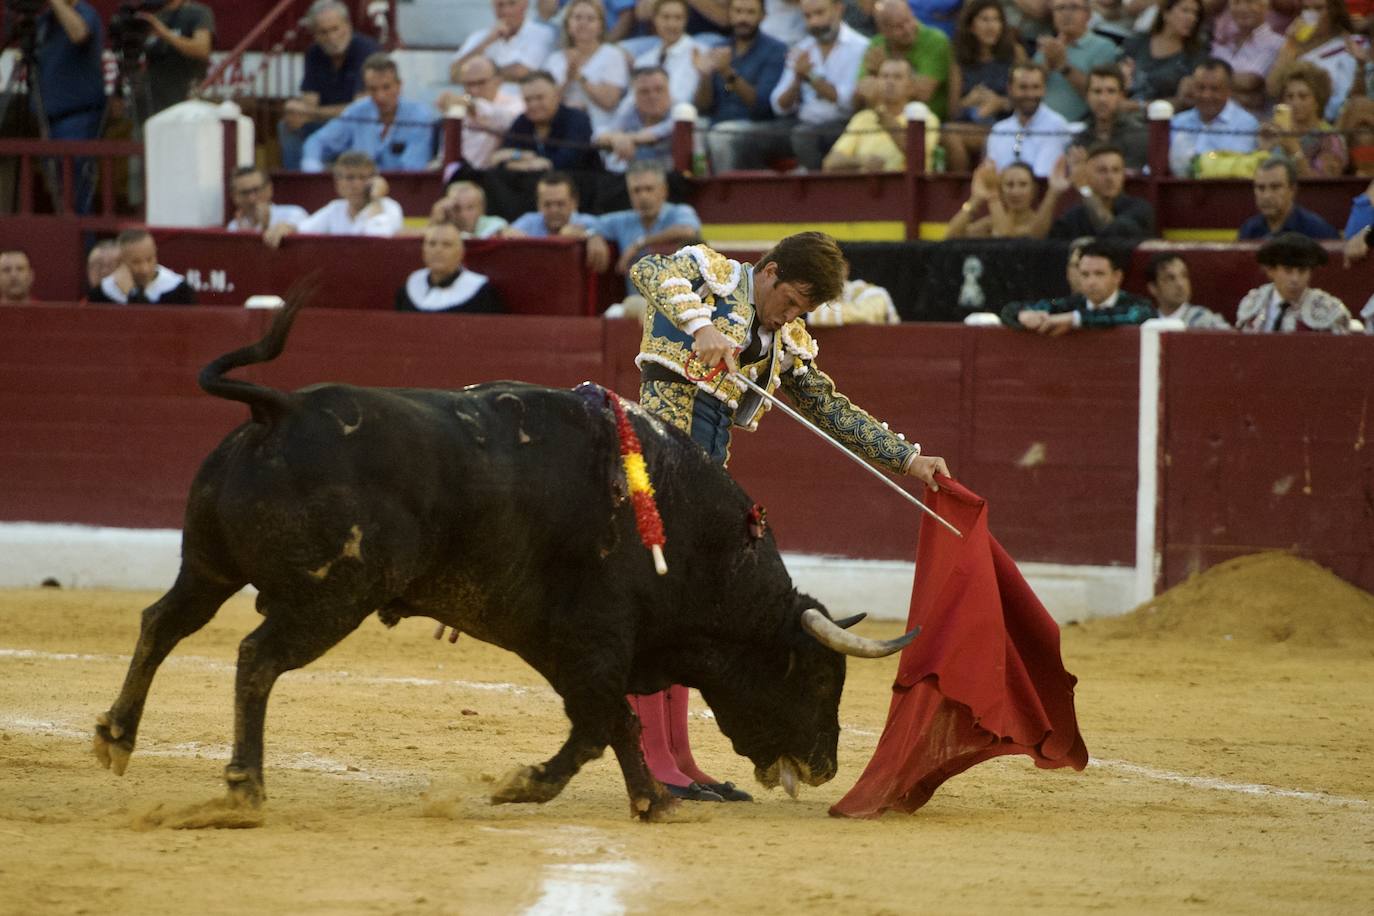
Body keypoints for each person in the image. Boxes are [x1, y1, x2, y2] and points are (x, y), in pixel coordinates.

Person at [629, 230, 949, 800]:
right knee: (659, 607)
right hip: (653, 458)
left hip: (706, 474)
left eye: (806, 309)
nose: (792, 316)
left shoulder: (785, 339)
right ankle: (656, 761)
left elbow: (827, 407)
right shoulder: (710, 275)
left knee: (683, 612)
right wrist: (701, 326)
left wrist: (908, 459)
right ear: (770, 271)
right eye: (793, 300)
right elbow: (649, 270)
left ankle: (678, 759)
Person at [277, 1, 380, 171]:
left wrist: (311, 112)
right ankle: (298, 179)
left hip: (356, 125)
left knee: (362, 125)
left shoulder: (366, 50)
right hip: (326, 123)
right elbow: (310, 102)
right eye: (323, 32)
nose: (331, 37)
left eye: (335, 29)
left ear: (348, 25)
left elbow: (361, 109)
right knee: (287, 124)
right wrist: (300, 111)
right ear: (315, 35)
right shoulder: (314, 53)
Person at [769, 0, 869, 170]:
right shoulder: (802, 49)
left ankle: (815, 191)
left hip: (843, 123)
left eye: (820, 13)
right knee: (750, 137)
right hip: (803, 121)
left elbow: (849, 102)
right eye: (808, 16)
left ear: (838, 9)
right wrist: (797, 80)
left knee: (803, 136)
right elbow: (778, 105)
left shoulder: (861, 47)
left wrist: (811, 77)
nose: (814, 22)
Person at [692, 0, 789, 173]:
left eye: (750, 12)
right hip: (719, 120)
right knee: (689, 128)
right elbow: (704, 106)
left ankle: (725, 191)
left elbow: (762, 107)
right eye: (738, 11)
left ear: (762, 16)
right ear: (730, 13)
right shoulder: (719, 48)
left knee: (721, 135)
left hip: (759, 125)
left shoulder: (776, 50)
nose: (743, 18)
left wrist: (727, 72)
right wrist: (705, 76)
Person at [301, 54, 439, 173]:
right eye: (373, 89)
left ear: (399, 85)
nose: (380, 96)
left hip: (403, 192)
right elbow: (316, 142)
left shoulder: (420, 116)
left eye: (386, 87)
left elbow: (413, 169)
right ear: (366, 89)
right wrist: (313, 167)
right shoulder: (357, 112)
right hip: (356, 190)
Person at [33, 0, 105, 212]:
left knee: (77, 193)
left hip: (77, 117)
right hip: (48, 119)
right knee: (60, 195)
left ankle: (83, 245)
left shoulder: (84, 12)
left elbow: (79, 33)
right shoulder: (45, 21)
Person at [999, 240, 1155, 332]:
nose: (1091, 281)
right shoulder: (1069, 304)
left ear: (1117, 276)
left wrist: (1074, 319)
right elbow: (1010, 309)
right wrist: (1022, 315)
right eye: (1085, 274)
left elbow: (1135, 316)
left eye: (1099, 274)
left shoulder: (1137, 305)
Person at [943, 0, 1023, 173]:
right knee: (949, 132)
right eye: (984, 20)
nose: (991, 26)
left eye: (996, 20)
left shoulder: (1015, 53)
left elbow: (1028, 97)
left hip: (1008, 127)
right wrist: (969, 101)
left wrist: (999, 103)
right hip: (972, 126)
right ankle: (962, 190)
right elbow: (952, 111)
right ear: (971, 26)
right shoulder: (959, 58)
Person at [595, 162, 703, 291]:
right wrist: (594, 236)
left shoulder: (679, 212)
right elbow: (589, 224)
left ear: (664, 190)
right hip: (637, 301)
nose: (643, 196)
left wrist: (640, 243)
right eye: (636, 191)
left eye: (649, 189)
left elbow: (688, 231)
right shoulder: (623, 220)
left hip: (680, 300)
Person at [265, 151, 404, 247]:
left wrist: (376, 200)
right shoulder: (335, 209)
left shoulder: (390, 207)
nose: (357, 184)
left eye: (363, 178)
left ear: (375, 179)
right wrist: (286, 227)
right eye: (350, 178)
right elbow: (303, 230)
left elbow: (377, 242)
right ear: (338, 183)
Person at [823, 58, 939, 172]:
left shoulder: (926, 118)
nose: (889, 82)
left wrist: (879, 109)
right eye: (884, 76)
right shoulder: (863, 117)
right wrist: (861, 161)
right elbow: (830, 163)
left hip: (904, 188)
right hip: (867, 187)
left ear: (911, 87)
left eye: (897, 77)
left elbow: (916, 155)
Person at [1235, 231, 1354, 332]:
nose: (1295, 279)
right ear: (1271, 271)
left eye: (1302, 271)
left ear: (1310, 273)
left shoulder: (1328, 310)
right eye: (1288, 270)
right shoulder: (1253, 303)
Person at [1267, 0, 1364, 122]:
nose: (1311, 14)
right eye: (1306, 9)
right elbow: (1272, 89)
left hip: (1333, 123)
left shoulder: (1353, 45)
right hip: (1292, 121)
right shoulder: (1293, 44)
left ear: (1334, 12)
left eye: (1319, 8)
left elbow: (1349, 100)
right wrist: (1290, 44)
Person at [855, 0, 951, 120]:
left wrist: (881, 70)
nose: (908, 29)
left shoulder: (935, 41)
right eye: (899, 27)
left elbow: (923, 94)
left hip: (923, 120)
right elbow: (860, 94)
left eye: (909, 20)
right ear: (884, 31)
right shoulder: (877, 44)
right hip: (878, 120)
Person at [545, 0, 630, 133]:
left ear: (601, 26)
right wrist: (567, 80)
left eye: (590, 19)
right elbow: (546, 104)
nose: (583, 23)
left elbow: (610, 101)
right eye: (577, 17)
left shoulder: (612, 54)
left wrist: (580, 77)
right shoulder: (555, 59)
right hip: (561, 127)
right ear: (567, 24)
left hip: (600, 127)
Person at [491, 71, 602, 173]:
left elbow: (564, 163)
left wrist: (516, 161)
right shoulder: (523, 120)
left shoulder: (577, 119)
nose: (533, 105)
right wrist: (523, 156)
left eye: (540, 98)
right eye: (528, 99)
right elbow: (499, 159)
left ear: (557, 96)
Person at [1167, 58, 1261, 176]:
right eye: (1201, 88)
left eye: (1214, 89)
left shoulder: (1246, 125)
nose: (1206, 95)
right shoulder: (1177, 122)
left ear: (1229, 90)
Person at [505, 171, 612, 271]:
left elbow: (604, 231)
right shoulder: (529, 221)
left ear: (574, 203)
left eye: (560, 204)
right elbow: (505, 235)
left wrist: (592, 235)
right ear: (538, 205)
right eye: (547, 204)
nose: (554, 210)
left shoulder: (586, 222)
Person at [1032, 0, 1120, 123]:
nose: (1067, 14)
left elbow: (1101, 93)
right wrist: (1047, 64)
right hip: (1043, 127)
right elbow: (1029, 90)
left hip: (1084, 127)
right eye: (1060, 8)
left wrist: (1064, 67)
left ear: (1088, 14)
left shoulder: (1103, 47)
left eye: (1074, 7)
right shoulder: (1046, 48)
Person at [1257, 61, 1349, 178]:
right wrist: (1263, 151)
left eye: (1303, 96)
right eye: (1289, 96)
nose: (1295, 103)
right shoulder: (1275, 133)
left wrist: (1295, 150)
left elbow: (1322, 187)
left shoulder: (1331, 139)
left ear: (1317, 101)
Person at [450, 0, 557, 98]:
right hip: (479, 107)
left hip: (520, 107)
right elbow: (455, 73)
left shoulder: (542, 33)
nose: (506, 11)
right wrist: (488, 41)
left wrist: (475, 74)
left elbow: (522, 71)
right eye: (500, 5)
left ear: (525, 4)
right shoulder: (480, 37)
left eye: (512, 3)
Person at [437, 56, 526, 172]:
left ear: (498, 81)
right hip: (458, 176)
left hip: (492, 177)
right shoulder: (459, 109)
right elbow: (444, 155)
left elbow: (505, 120)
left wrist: (471, 105)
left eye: (481, 83)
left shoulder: (517, 104)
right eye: (468, 84)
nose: (474, 90)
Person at [984, 62, 1073, 177]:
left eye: (1035, 87)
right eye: (1023, 87)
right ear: (1010, 89)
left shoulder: (1058, 126)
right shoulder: (998, 131)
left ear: (1044, 89)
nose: (1030, 94)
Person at [394, 222, 505, 314]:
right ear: (423, 251)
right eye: (432, 244)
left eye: (446, 244)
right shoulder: (411, 286)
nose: (438, 250)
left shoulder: (481, 292)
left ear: (461, 252)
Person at [1050, 143, 1156, 239]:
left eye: (1116, 170)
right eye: (1102, 171)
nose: (1110, 178)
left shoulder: (1140, 208)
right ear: (1086, 175)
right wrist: (1053, 192)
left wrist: (1084, 189)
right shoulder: (1074, 215)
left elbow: (1113, 233)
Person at [946, 157, 1068, 238]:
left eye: (1023, 184)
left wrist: (993, 197)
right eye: (1009, 185)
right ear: (1001, 190)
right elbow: (951, 235)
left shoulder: (1039, 224)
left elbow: (1006, 238)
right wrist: (975, 199)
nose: (1015, 192)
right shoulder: (990, 223)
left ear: (1034, 190)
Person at [1120, 0, 1205, 108]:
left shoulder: (1195, 56)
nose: (1192, 18)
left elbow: (1183, 101)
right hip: (1123, 110)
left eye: (1195, 14)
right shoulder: (1138, 42)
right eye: (1185, 11)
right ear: (1166, 13)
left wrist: (1137, 106)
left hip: (1164, 117)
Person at [140, 0, 214, 117]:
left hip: (185, 94)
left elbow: (202, 49)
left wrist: (163, 32)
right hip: (154, 97)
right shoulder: (154, 14)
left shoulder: (198, 13)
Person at [594, 66, 676, 171]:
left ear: (669, 91)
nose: (652, 96)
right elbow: (600, 135)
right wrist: (616, 138)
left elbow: (662, 131)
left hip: (672, 177)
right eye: (644, 91)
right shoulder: (631, 109)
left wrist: (627, 139)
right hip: (636, 176)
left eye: (659, 90)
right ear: (634, 95)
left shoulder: (681, 110)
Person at [1237, 156, 1340, 239]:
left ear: (1292, 190)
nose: (1266, 195)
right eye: (1260, 188)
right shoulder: (1249, 230)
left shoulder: (1317, 231)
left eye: (1275, 187)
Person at [1069, 64, 1149, 171]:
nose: (1103, 99)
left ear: (1121, 96)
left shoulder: (1139, 136)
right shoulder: (1079, 141)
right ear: (1087, 96)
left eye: (1111, 91)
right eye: (1097, 91)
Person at [1210, 0, 1284, 113]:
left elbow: (1250, 81)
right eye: (1236, 2)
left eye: (1250, 2)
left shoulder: (1276, 44)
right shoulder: (1223, 42)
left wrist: (1215, 85)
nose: (1242, 8)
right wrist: (1238, 95)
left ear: (1266, 7)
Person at [88, 229, 196, 305]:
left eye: (150, 259)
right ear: (121, 262)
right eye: (136, 262)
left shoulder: (180, 291)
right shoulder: (102, 294)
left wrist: (132, 293)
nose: (145, 269)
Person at [631, 0, 704, 107]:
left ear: (686, 20)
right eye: (665, 17)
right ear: (655, 19)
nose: (672, 24)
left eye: (678, 18)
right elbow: (632, 101)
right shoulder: (643, 61)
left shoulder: (700, 53)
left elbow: (685, 99)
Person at [1144, 252, 1232, 328]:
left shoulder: (1205, 320)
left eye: (1184, 276)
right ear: (1153, 288)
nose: (1180, 284)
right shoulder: (1143, 320)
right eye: (1170, 278)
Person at [225, 167, 308, 233]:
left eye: (256, 190)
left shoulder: (294, 214)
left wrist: (265, 227)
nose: (252, 198)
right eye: (244, 193)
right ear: (235, 197)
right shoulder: (234, 227)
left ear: (269, 189)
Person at [430, 180, 510, 238]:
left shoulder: (495, 225)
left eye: (470, 208)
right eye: (457, 208)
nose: (463, 213)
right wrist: (436, 220)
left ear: (482, 209)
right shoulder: (443, 228)